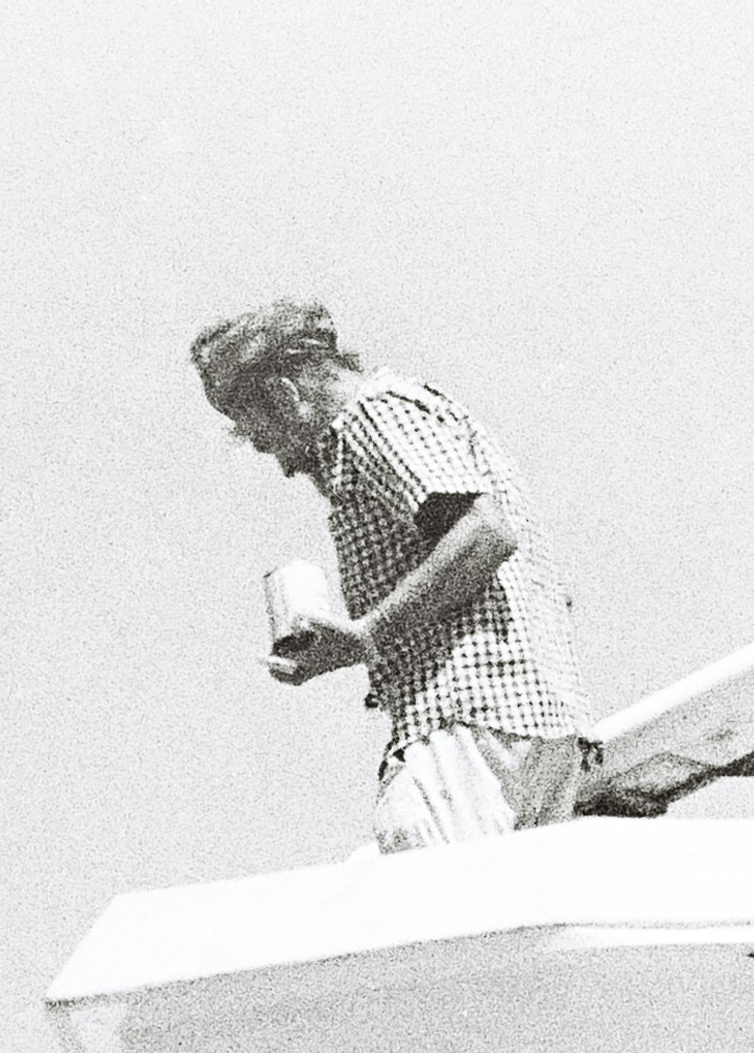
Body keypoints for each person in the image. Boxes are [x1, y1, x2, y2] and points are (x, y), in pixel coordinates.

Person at [189, 298, 588, 851]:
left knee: (415, 886)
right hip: (532, 724)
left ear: (286, 395)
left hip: (468, 716)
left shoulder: (372, 416)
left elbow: (485, 533)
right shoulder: (407, 411)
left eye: (256, 429)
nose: (271, 456)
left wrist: (369, 634)